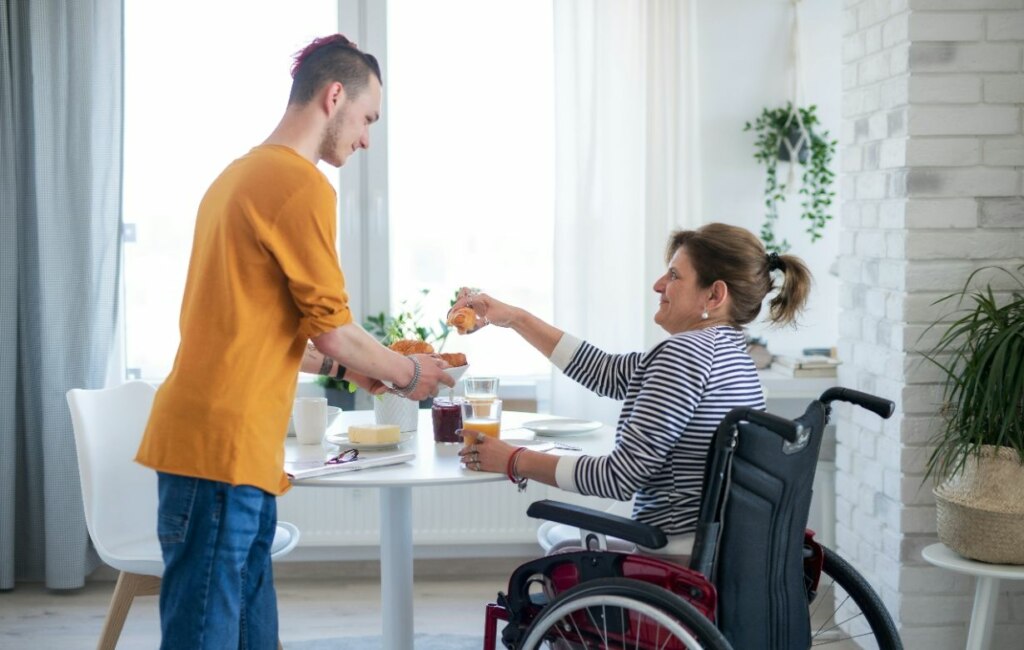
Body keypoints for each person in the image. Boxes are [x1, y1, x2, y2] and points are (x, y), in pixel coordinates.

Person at [134, 35, 453, 649]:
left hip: (227, 446)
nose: (365, 139)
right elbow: (333, 329)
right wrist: (410, 376)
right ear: (335, 96)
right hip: (223, 449)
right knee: (208, 635)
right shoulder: (298, 184)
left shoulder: (238, 176)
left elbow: (256, 328)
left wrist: (354, 370)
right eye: (367, 119)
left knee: (250, 633)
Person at [453, 223, 811, 557]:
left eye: (674, 275)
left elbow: (618, 478)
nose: (658, 285)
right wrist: (515, 317)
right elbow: (602, 371)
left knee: (554, 541)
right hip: (719, 544)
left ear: (714, 295)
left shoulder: (683, 354)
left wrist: (515, 460)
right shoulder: (732, 353)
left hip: (673, 549)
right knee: (556, 533)